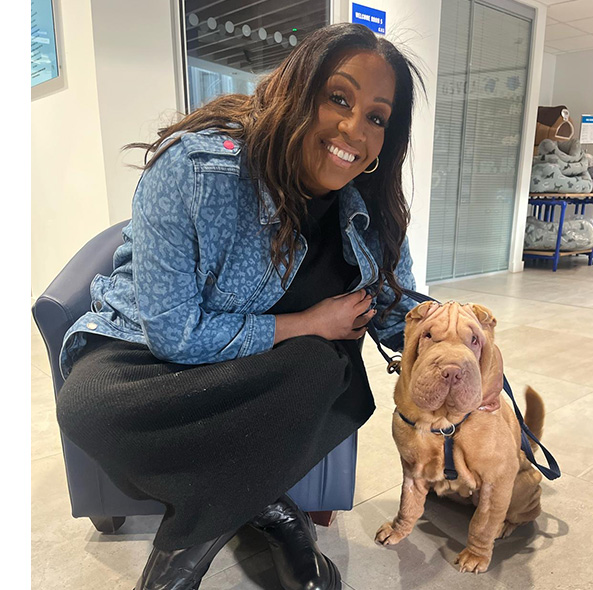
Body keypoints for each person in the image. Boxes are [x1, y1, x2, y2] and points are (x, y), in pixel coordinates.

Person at [56, 22, 425, 590]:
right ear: (299, 90)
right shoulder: (198, 169)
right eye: (338, 97)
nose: (354, 127)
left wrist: (463, 343)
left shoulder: (370, 207)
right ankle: (274, 515)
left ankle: (178, 562)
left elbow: (400, 318)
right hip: (143, 363)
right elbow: (174, 335)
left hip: (267, 383)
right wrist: (308, 322)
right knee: (86, 407)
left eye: (377, 117)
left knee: (323, 369)